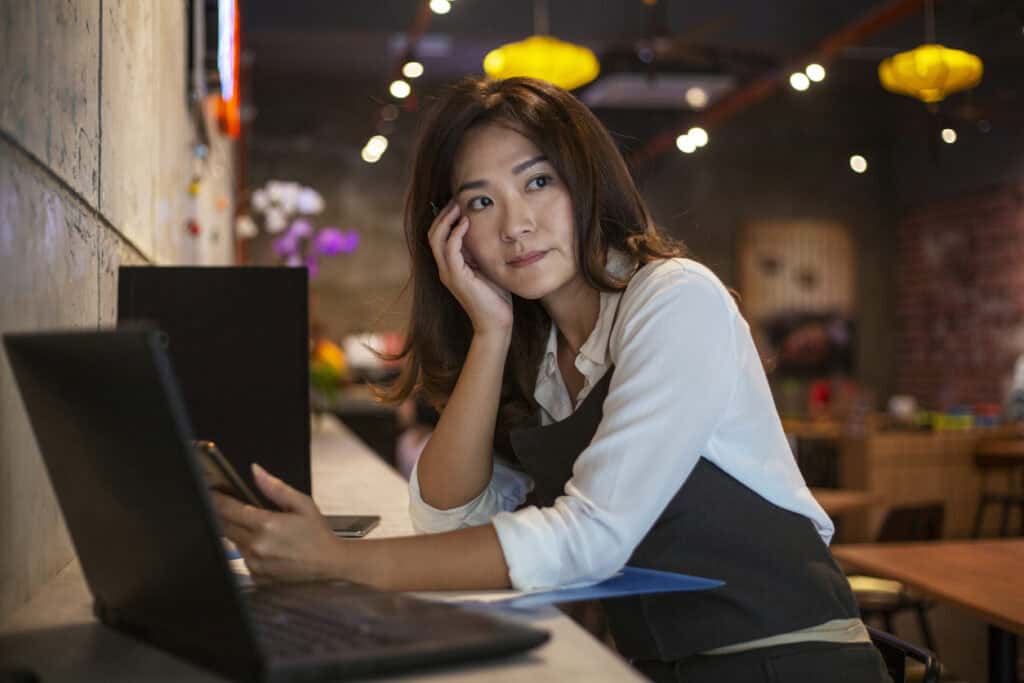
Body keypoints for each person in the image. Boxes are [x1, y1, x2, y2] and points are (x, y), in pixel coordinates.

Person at [213, 76, 891, 682]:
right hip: (657, 664)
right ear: (450, 232)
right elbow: (448, 514)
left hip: (791, 658)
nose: (516, 224)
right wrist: (491, 333)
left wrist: (340, 561)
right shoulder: (538, 355)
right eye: (480, 202)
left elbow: (590, 537)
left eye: (538, 181)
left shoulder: (677, 299)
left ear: (588, 181)